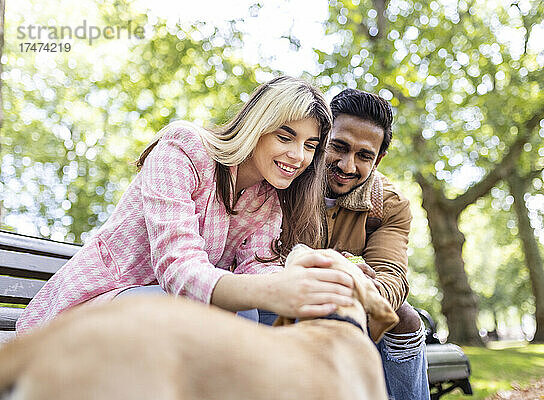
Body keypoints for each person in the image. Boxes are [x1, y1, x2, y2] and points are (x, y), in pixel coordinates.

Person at [16, 76, 355, 333]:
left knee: (255, 317)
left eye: (310, 146)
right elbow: (177, 267)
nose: (299, 157)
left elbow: (260, 271)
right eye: (285, 137)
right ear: (257, 127)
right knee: (234, 312)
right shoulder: (184, 149)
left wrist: (307, 273)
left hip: (160, 323)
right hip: (86, 312)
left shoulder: (267, 200)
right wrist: (271, 289)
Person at [323, 89, 429, 399]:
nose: (347, 165)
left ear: (378, 158)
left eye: (363, 155)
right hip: (289, 296)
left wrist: (363, 284)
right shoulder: (289, 178)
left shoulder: (391, 204)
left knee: (406, 318)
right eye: (338, 147)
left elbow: (392, 276)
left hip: (355, 307)